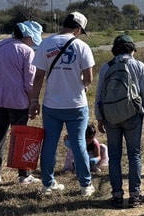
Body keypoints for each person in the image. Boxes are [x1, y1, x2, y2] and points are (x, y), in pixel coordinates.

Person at [28, 12, 96, 197]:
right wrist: (82, 85)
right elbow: (88, 78)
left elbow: (39, 75)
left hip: (52, 104)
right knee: (79, 143)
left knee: (49, 143)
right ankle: (85, 185)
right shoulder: (82, 46)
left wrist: (34, 100)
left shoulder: (46, 43)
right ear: (78, 29)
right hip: (76, 104)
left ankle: (48, 184)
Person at [96, 34, 144, 207]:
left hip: (110, 115)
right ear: (132, 48)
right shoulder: (138, 66)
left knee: (114, 156)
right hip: (132, 115)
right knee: (134, 154)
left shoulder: (106, 66)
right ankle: (135, 195)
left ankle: (117, 195)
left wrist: (100, 117)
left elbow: (100, 94)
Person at [0, 20, 43, 185]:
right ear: (28, 37)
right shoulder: (27, 51)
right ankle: (24, 175)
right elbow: (29, 82)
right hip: (17, 100)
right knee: (21, 135)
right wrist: (34, 101)